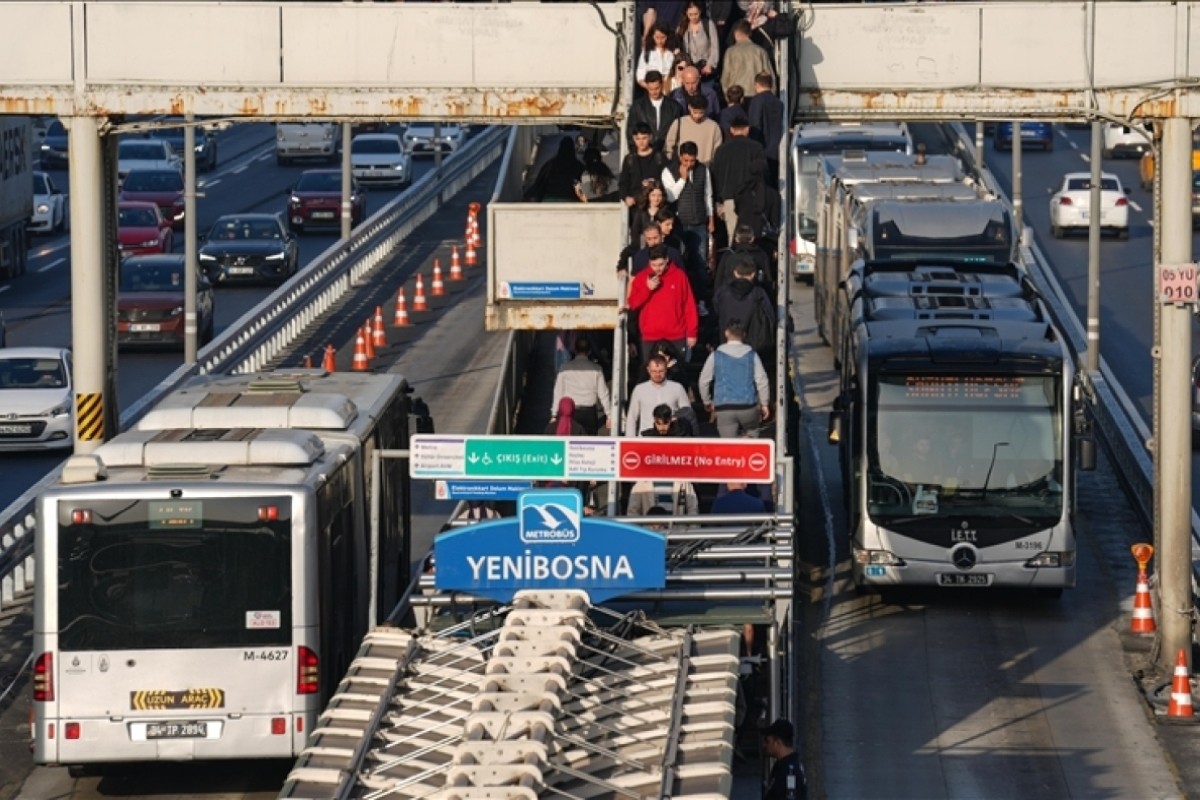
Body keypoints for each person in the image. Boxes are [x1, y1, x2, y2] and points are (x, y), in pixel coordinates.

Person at [661, 140, 715, 310]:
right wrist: (682, 179)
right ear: (680, 157)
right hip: (679, 224)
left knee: (700, 263)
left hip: (699, 223)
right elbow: (670, 197)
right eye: (686, 161)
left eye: (692, 161)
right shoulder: (668, 171)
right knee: (680, 263)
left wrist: (710, 219)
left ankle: (700, 301)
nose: (689, 164)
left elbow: (708, 195)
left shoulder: (703, 170)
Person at [627, 244, 699, 363]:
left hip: (676, 335)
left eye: (661, 264)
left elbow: (689, 305)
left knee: (677, 373)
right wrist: (647, 289)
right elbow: (633, 304)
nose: (657, 268)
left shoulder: (679, 276)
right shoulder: (642, 277)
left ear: (667, 260)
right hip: (650, 336)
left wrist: (692, 332)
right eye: (654, 265)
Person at [699, 320, 770, 438]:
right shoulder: (752, 355)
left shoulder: (715, 355)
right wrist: (764, 403)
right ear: (744, 335)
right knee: (752, 438)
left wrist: (707, 401)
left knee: (729, 447)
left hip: (724, 407)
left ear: (726, 333)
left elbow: (703, 381)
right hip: (748, 406)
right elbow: (762, 381)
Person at [711, 113, 767, 243]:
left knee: (733, 237)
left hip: (728, 198)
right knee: (751, 237)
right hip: (752, 199)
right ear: (747, 129)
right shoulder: (756, 148)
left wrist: (718, 201)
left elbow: (716, 177)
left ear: (731, 130)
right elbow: (763, 173)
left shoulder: (721, 150)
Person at [713, 260, 775, 361]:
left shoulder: (722, 292)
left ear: (735, 273)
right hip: (753, 345)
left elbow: (714, 316)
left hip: (726, 342)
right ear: (753, 274)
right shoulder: (759, 293)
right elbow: (770, 316)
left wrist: (710, 339)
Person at [550, 334, 612, 435]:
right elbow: (603, 394)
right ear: (589, 351)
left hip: (570, 412)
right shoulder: (597, 369)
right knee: (589, 445)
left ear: (575, 350)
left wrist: (554, 414)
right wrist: (609, 415)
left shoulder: (565, 368)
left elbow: (558, 393)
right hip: (589, 413)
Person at [625, 354, 697, 436]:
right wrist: (630, 439)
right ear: (648, 370)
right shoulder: (639, 389)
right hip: (646, 439)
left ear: (666, 369)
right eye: (654, 371)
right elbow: (632, 418)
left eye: (660, 371)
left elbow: (687, 413)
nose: (657, 374)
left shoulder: (677, 388)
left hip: (672, 438)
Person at [627, 71, 683, 154]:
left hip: (667, 153)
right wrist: (635, 153)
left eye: (657, 88)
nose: (654, 92)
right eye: (650, 89)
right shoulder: (637, 107)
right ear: (646, 86)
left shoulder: (674, 107)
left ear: (662, 85)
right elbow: (631, 132)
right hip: (645, 154)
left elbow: (679, 131)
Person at [619, 124, 668, 218]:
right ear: (633, 139)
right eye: (638, 138)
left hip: (656, 207)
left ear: (650, 137)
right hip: (636, 208)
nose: (641, 142)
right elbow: (623, 182)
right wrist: (626, 197)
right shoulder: (630, 159)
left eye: (644, 138)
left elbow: (667, 181)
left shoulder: (659, 158)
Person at [721, 19, 773, 99]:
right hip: (757, 95)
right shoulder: (760, 51)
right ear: (750, 33)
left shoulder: (730, 52)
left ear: (735, 33)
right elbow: (769, 77)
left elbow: (725, 78)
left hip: (736, 96)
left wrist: (728, 98)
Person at [664, 95, 724, 164]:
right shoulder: (679, 123)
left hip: (704, 167)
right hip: (682, 165)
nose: (697, 116)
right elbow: (669, 145)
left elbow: (717, 151)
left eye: (701, 113)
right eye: (695, 112)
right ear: (689, 107)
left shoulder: (714, 127)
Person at [748, 71, 785, 183]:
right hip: (776, 150)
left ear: (756, 84)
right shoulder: (779, 103)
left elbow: (755, 125)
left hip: (761, 150)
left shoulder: (757, 101)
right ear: (771, 85)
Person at [714, 224, 772, 292]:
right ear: (752, 239)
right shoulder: (761, 255)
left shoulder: (728, 254)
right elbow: (768, 279)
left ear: (736, 239)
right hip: (753, 296)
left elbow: (719, 278)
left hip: (729, 296)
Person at [617, 220, 685, 279]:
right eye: (649, 239)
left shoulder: (674, 254)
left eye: (655, 238)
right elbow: (634, 280)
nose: (653, 242)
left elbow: (682, 277)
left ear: (661, 235)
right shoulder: (639, 257)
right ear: (645, 239)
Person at [525, 137, 584, 203]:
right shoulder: (578, 166)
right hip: (571, 200)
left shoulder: (550, 165)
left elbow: (540, 182)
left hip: (550, 200)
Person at [674, 1, 720, 86]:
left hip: (705, 70)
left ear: (700, 11)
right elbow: (676, 42)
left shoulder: (708, 24)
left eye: (696, 14)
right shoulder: (683, 26)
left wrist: (710, 65)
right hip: (689, 69)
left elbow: (715, 47)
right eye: (690, 14)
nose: (693, 17)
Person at [761, 719, 807, 800]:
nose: (764, 745)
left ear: (778, 742)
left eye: (767, 741)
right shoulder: (786, 765)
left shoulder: (789, 773)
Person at [637, 22, 678, 92]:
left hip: (670, 90)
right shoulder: (647, 52)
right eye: (657, 37)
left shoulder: (672, 53)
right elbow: (640, 76)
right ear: (652, 36)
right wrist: (652, 88)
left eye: (663, 37)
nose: (660, 41)